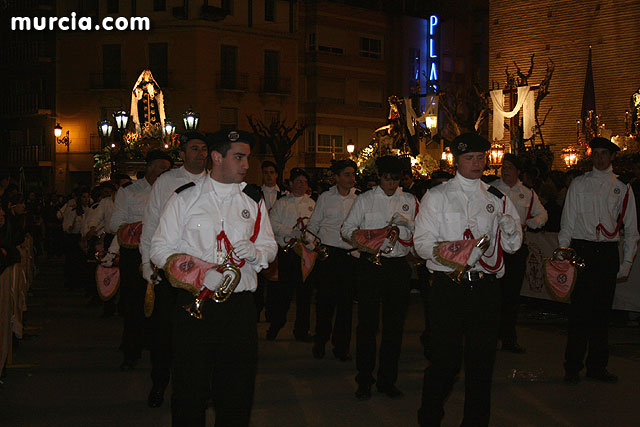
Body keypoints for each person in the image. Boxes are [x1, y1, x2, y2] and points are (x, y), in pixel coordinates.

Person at [150, 129, 277, 426]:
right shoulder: (185, 198)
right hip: (194, 304)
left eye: (247, 157)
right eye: (239, 157)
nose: (246, 164)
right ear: (217, 157)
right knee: (189, 387)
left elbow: (269, 246)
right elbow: (160, 248)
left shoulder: (253, 200)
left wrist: (256, 254)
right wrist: (196, 275)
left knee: (237, 389)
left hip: (240, 305)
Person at [414, 133, 523, 426]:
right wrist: (459, 253)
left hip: (485, 288)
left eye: (480, 158)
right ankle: (429, 418)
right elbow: (422, 244)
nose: (476, 163)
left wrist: (511, 229)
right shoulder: (437, 196)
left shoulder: (497, 198)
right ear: (456, 161)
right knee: (445, 363)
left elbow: (513, 247)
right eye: (469, 158)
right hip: (449, 286)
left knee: (481, 364)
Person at [560, 137, 639, 385]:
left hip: (606, 253)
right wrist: (563, 253)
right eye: (596, 154)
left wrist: (626, 263)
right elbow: (567, 221)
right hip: (582, 249)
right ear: (591, 156)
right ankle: (572, 367)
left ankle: (597, 366)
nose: (600, 158)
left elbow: (632, 228)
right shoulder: (579, 184)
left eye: (605, 154)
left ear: (612, 157)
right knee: (579, 313)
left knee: (602, 314)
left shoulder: (623, 187)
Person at [138, 132, 208, 408]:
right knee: (165, 334)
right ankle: (159, 383)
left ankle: (201, 387)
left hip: (203, 271)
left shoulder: (216, 182)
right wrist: (147, 263)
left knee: (201, 335)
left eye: (204, 149)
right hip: (169, 268)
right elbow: (151, 224)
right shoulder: (167, 182)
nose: (200, 154)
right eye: (194, 149)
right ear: (182, 154)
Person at [341, 155, 418, 400]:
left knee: (394, 327)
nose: (391, 184)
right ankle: (364, 379)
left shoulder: (409, 200)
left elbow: (423, 232)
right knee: (367, 326)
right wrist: (371, 237)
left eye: (396, 179)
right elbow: (346, 229)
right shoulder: (365, 199)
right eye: (387, 179)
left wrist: (408, 224)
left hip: (397, 266)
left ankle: (387, 380)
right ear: (379, 177)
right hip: (371, 266)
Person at [108, 149, 172, 371]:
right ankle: (131, 352)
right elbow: (114, 223)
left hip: (161, 252)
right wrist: (139, 227)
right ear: (149, 167)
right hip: (134, 252)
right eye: (162, 167)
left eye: (168, 168)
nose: (165, 172)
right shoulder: (129, 191)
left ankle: (159, 349)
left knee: (163, 304)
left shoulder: (173, 192)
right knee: (133, 303)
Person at [493, 153, 548, 353]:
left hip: (516, 250)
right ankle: (490, 336)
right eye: (503, 166)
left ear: (518, 171)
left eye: (510, 167)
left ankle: (509, 338)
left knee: (511, 296)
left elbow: (542, 213)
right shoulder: (491, 189)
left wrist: (533, 222)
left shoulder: (527, 193)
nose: (505, 170)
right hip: (495, 248)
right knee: (492, 295)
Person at [307, 159, 359, 361]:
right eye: (346, 174)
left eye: (353, 174)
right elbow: (314, 225)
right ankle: (320, 341)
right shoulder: (326, 198)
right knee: (325, 302)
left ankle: (341, 346)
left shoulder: (358, 199)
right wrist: (313, 246)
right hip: (328, 254)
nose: (351, 178)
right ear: (336, 177)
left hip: (349, 255)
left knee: (346, 305)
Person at [267, 167, 316, 341]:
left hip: (306, 254)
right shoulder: (282, 203)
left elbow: (316, 226)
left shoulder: (312, 204)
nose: (302, 185)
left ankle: (302, 330)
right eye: (298, 182)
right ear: (290, 183)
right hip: (287, 253)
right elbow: (272, 224)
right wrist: (291, 233)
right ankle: (275, 326)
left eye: (304, 182)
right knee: (284, 294)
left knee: (305, 295)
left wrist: (309, 239)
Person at [255, 160, 286, 322]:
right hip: (259, 242)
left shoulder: (284, 195)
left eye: (271, 172)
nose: (269, 175)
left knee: (276, 282)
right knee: (259, 281)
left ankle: (272, 314)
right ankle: (256, 312)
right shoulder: (254, 192)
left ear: (277, 175)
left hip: (278, 241)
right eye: (266, 172)